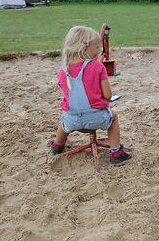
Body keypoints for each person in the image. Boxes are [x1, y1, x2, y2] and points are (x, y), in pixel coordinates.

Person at [50, 26, 132, 165]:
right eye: (97, 47)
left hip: (72, 122)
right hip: (97, 119)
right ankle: (116, 153)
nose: (100, 50)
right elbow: (107, 95)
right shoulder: (98, 66)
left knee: (64, 119)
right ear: (85, 48)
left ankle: (57, 146)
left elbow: (69, 96)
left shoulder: (62, 70)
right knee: (114, 117)